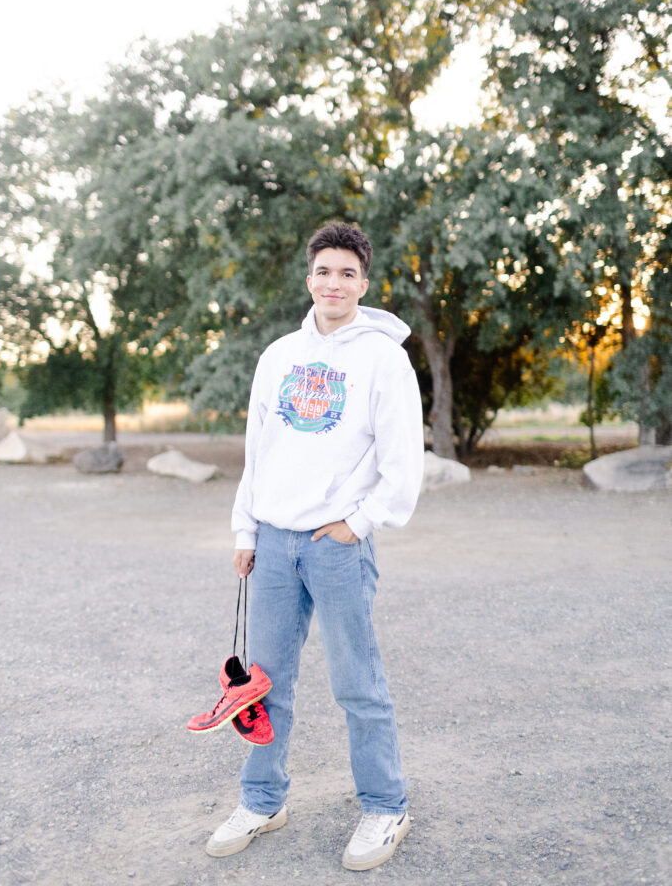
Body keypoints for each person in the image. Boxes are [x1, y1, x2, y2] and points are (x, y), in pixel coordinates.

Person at [205, 221, 424, 871]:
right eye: (324, 271)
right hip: (272, 541)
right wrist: (247, 531)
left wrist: (357, 524)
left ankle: (386, 806)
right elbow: (258, 451)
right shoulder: (277, 356)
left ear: (364, 283)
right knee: (264, 685)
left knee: (357, 680)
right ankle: (261, 798)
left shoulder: (383, 356)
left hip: (334, 544)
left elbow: (402, 458)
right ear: (309, 279)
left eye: (347, 273)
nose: (334, 283)